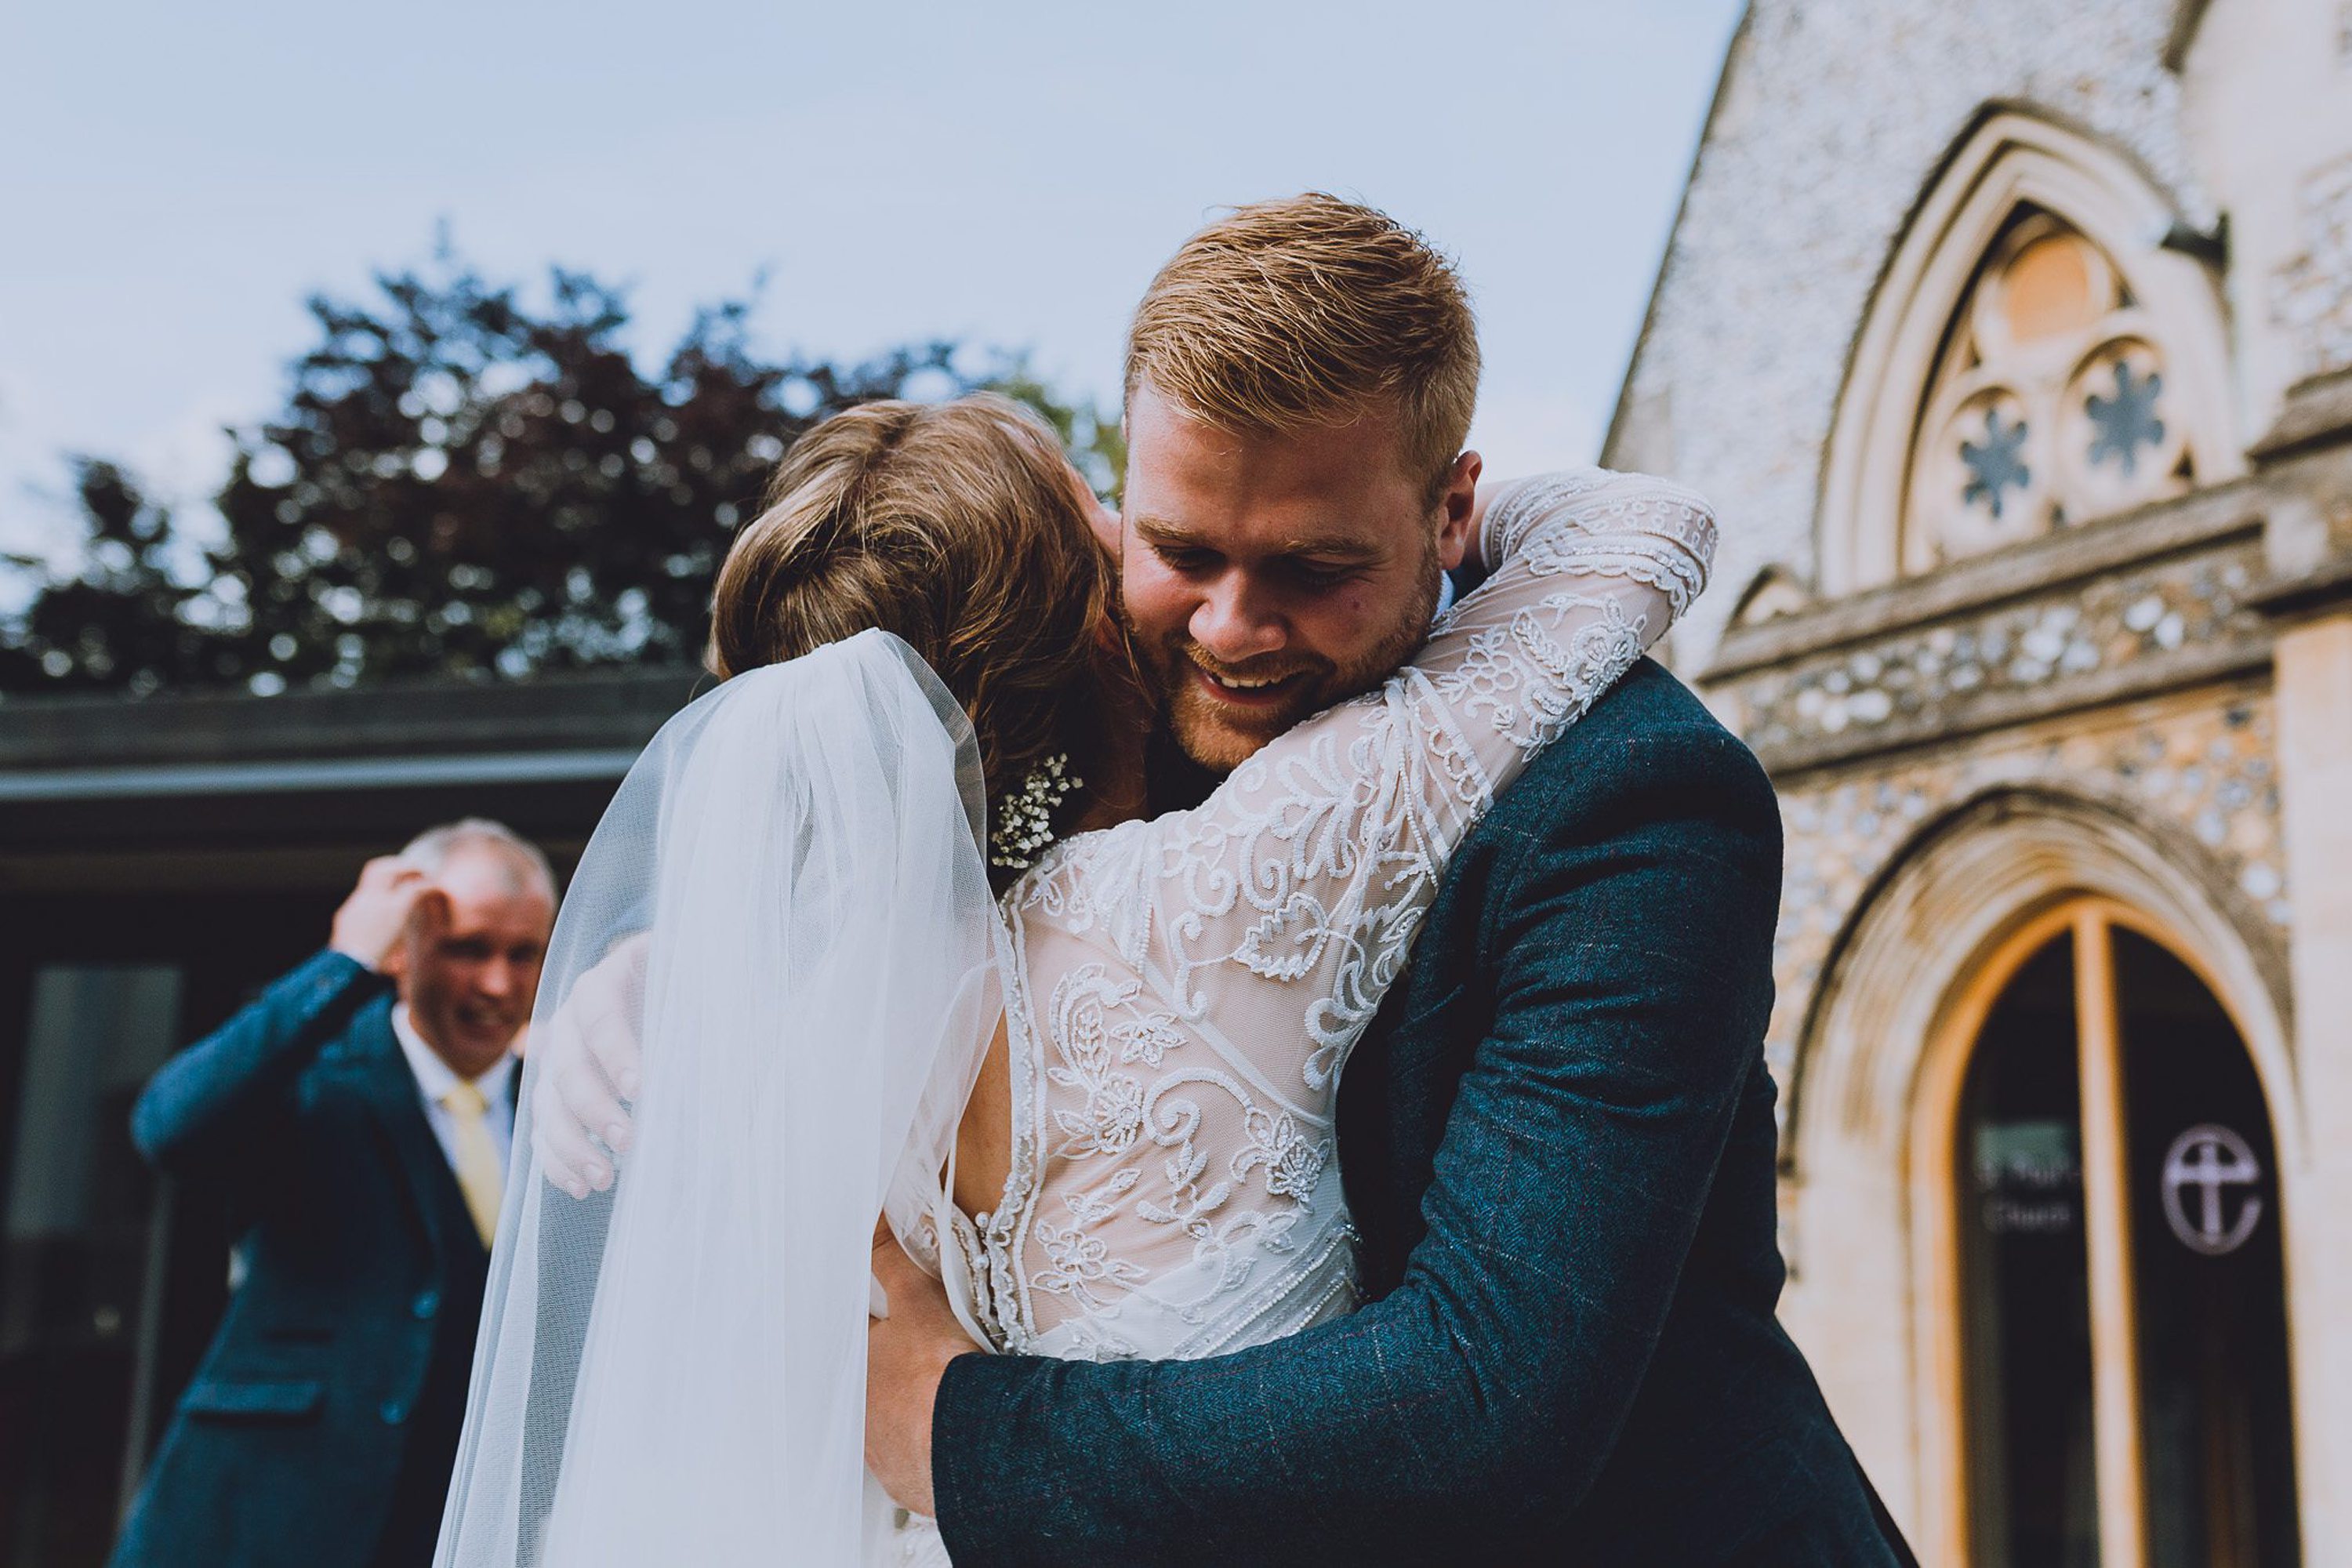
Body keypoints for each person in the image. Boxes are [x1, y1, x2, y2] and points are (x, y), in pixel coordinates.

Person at [112, 821, 556, 1568]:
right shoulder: (311, 1077)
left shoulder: (562, 1112)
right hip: (265, 1521)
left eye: (524, 954)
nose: (497, 984)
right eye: (468, 948)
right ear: (405, 945)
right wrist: (345, 958)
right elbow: (171, 1128)